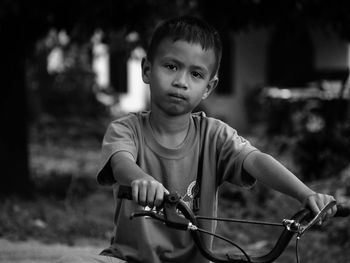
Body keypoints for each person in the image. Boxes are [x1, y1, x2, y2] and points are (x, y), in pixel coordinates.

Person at [58, 15, 337, 263]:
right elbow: (121, 163)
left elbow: (256, 160)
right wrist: (141, 179)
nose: (181, 81)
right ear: (146, 69)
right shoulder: (126, 129)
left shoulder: (214, 135)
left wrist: (306, 194)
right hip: (130, 258)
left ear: (208, 87)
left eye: (195, 74)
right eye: (170, 66)